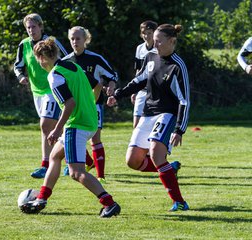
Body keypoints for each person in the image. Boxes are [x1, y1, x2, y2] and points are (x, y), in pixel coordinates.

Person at [21, 37, 121, 217]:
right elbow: (97, 84)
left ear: (43, 58)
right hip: (90, 121)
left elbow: (70, 104)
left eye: (38, 59)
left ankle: (109, 203)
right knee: (55, 156)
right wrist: (90, 103)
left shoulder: (55, 75)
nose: (38, 63)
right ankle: (42, 198)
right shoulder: (74, 66)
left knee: (76, 173)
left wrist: (57, 128)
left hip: (76, 125)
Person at [107, 24, 190, 211]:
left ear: (172, 41)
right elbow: (139, 80)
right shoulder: (151, 56)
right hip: (148, 113)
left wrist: (179, 129)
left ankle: (179, 202)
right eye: (155, 40)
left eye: (159, 41)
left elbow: (184, 101)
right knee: (132, 161)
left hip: (167, 114)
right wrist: (117, 94)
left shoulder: (178, 66)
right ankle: (169, 169)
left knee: (155, 153)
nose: (156, 44)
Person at [14, 13, 68, 178]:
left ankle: (46, 164)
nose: (31, 30)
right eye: (28, 28)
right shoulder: (24, 45)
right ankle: (78, 158)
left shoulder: (51, 42)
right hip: (37, 92)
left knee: (46, 125)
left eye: (34, 27)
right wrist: (21, 76)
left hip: (53, 89)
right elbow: (18, 65)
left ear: (41, 26)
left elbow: (68, 59)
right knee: (55, 128)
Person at [62, 26, 118, 183]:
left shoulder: (95, 59)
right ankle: (83, 163)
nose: (74, 42)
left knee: (95, 138)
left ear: (85, 39)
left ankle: (100, 175)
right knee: (71, 136)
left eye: (78, 38)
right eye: (72, 38)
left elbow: (112, 75)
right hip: (75, 106)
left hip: (94, 105)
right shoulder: (66, 62)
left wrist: (111, 86)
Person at [131, 21, 158, 128]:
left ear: (155, 33)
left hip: (156, 91)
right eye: (144, 33)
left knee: (153, 125)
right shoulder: (140, 48)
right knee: (136, 125)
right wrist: (134, 89)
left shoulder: (159, 49)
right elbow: (138, 70)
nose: (147, 36)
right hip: (142, 90)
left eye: (150, 33)